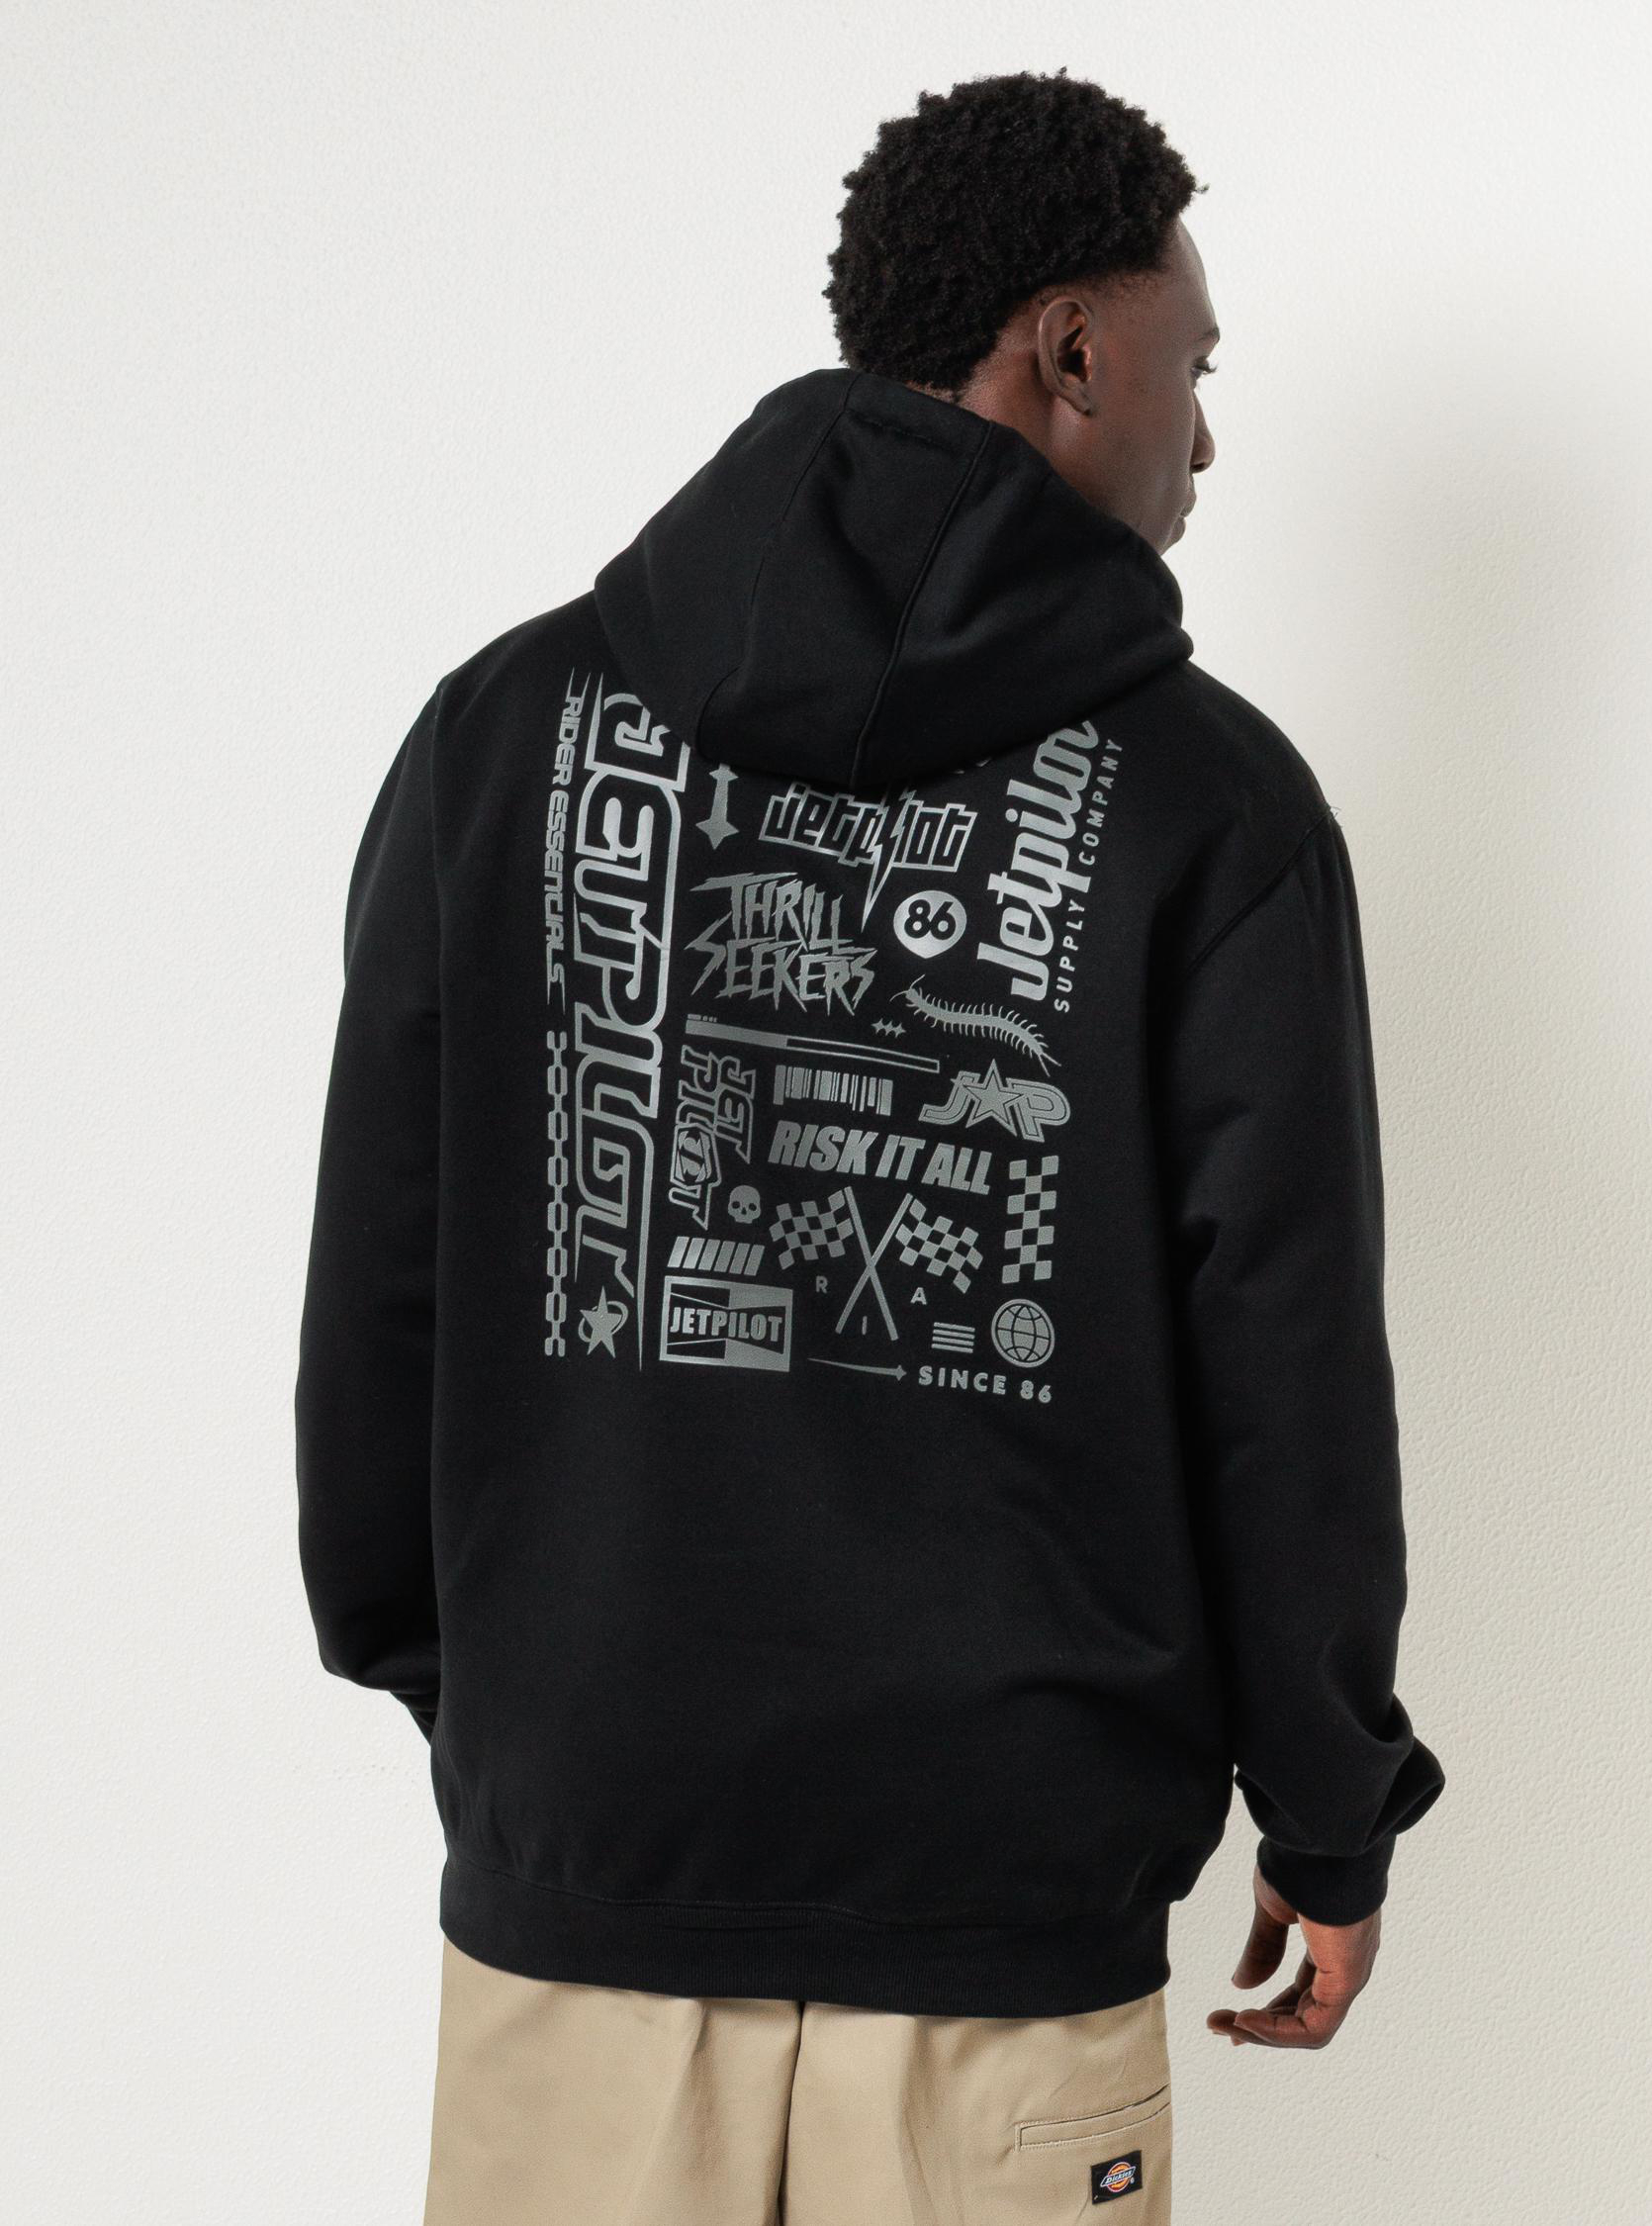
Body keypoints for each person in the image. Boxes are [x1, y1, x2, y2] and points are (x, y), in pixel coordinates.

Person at [295, 66, 1443, 2225]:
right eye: (1191, 367)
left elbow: (382, 1279)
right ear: (1070, 347)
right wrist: (1328, 1803)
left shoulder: (507, 737)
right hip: (1006, 1905)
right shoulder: (1213, 808)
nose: (1204, 440)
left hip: (587, 1878)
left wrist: (514, 1714)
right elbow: (1285, 1356)